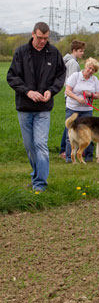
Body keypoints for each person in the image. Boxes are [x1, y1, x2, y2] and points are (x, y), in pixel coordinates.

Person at [7, 22, 66, 192]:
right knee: (30, 146)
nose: (42, 41)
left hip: (43, 108)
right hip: (24, 107)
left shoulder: (54, 53)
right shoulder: (21, 52)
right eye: (39, 38)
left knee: (40, 144)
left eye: (46, 39)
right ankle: (36, 177)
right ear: (33, 34)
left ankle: (40, 184)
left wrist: (51, 91)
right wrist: (28, 92)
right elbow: (12, 77)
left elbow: (60, 76)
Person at [64, 58, 99, 163]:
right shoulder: (75, 76)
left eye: (93, 70)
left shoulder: (95, 80)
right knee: (71, 133)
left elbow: (98, 95)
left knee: (89, 134)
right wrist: (78, 98)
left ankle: (89, 157)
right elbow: (67, 91)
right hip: (73, 109)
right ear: (86, 66)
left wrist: (91, 95)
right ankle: (69, 157)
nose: (90, 71)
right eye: (89, 68)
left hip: (87, 110)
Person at [59, 39, 86, 159]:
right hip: (72, 97)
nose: (82, 53)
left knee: (70, 123)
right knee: (71, 124)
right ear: (74, 51)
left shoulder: (68, 61)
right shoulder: (73, 63)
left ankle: (63, 149)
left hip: (69, 95)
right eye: (80, 51)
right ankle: (65, 151)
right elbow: (73, 81)